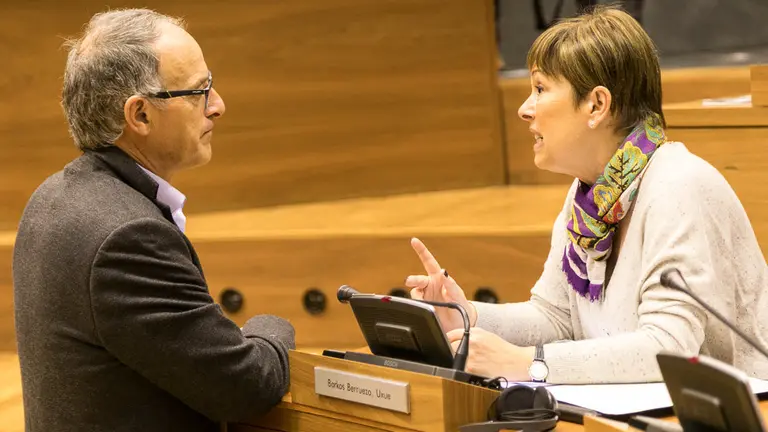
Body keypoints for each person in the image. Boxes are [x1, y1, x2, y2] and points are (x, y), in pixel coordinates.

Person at [405, 6, 768, 384]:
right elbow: (556, 317)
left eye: (541, 89)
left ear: (597, 105)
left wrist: (530, 363)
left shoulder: (678, 185)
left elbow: (669, 347)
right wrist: (467, 314)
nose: (524, 109)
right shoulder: (590, 198)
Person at [13, 9, 295, 431]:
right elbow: (245, 387)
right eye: (199, 91)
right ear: (140, 115)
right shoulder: (126, 237)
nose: (217, 106)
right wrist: (274, 327)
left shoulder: (52, 197)